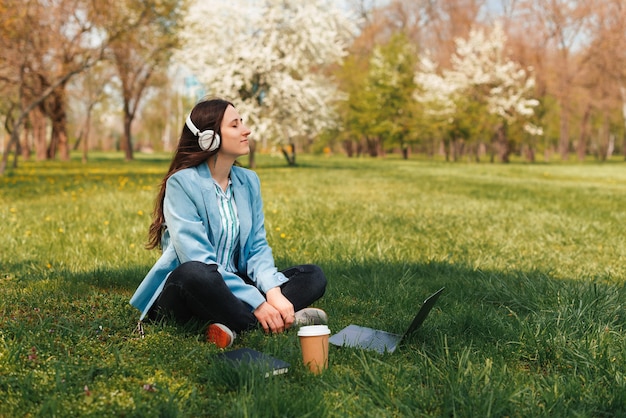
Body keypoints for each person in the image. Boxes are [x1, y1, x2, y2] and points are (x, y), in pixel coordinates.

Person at [130, 98, 327, 348]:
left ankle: (232, 325)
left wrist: (273, 294)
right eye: (235, 125)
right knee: (195, 273)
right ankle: (276, 320)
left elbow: (257, 246)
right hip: (192, 288)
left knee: (312, 275)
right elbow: (197, 257)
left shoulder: (248, 181)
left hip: (235, 282)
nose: (246, 130)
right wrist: (258, 302)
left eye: (242, 123)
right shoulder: (181, 184)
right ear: (208, 138)